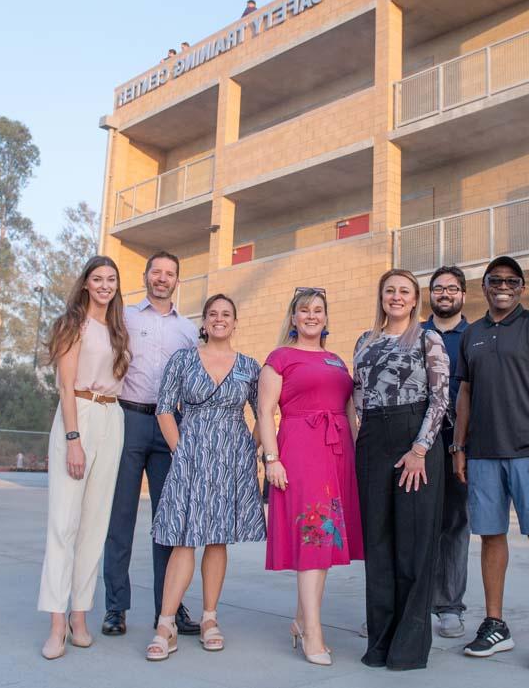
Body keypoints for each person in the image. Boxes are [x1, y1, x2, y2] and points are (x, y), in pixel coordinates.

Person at [452, 256, 529, 671]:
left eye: (511, 281)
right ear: (483, 287)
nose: (503, 286)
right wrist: (459, 446)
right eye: (495, 280)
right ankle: (495, 624)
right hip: (483, 454)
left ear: (522, 287)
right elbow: (464, 393)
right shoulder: (473, 335)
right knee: (490, 537)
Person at [146, 294, 266, 661]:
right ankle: (166, 624)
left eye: (226, 314)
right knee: (184, 538)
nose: (219, 319)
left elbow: (263, 411)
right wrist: (180, 450)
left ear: (234, 322)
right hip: (191, 453)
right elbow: (165, 409)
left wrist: (251, 446)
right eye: (213, 314)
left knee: (217, 540)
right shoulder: (182, 360)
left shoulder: (249, 365)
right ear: (205, 322)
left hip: (232, 458)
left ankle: (210, 619)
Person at [256, 288, 363, 666]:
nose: (312, 316)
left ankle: (301, 620)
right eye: (304, 310)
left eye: (319, 310)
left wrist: (358, 455)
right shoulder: (279, 358)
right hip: (300, 451)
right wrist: (272, 460)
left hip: (338, 455)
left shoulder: (336, 359)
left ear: (326, 318)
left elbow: (349, 411)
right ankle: (313, 632)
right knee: (313, 538)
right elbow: (265, 410)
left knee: (328, 541)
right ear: (293, 318)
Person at [352, 268, 450, 670]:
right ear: (382, 297)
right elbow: (357, 396)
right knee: (378, 545)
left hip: (415, 441)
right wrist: (361, 441)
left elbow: (441, 399)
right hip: (374, 439)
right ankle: (380, 643)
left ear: (415, 300)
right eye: (389, 290)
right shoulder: (365, 341)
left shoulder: (429, 338)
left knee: (413, 545)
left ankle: (408, 648)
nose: (396, 296)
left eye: (404, 291)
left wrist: (420, 449)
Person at [37, 256, 132, 660]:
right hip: (79, 414)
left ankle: (80, 615)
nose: (105, 285)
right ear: (86, 285)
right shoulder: (71, 325)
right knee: (64, 524)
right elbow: (65, 386)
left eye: (111, 279)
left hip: (113, 416)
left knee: (95, 524)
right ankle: (56, 623)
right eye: (98, 279)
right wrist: (73, 438)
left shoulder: (119, 330)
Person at [102, 252, 200, 638]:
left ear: (178, 280)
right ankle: (115, 608)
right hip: (128, 418)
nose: (162, 278)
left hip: (171, 426)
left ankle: (169, 608)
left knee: (169, 522)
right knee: (120, 519)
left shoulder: (189, 331)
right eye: (156, 272)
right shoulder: (124, 318)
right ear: (145, 276)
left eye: (169, 273)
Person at [422, 266, 471, 639]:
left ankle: (449, 606)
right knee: (414, 523)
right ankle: (411, 605)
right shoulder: (412, 335)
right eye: (438, 288)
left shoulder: (475, 336)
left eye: (452, 288)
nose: (444, 294)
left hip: (458, 441)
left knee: (454, 524)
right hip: (416, 443)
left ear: (463, 295)